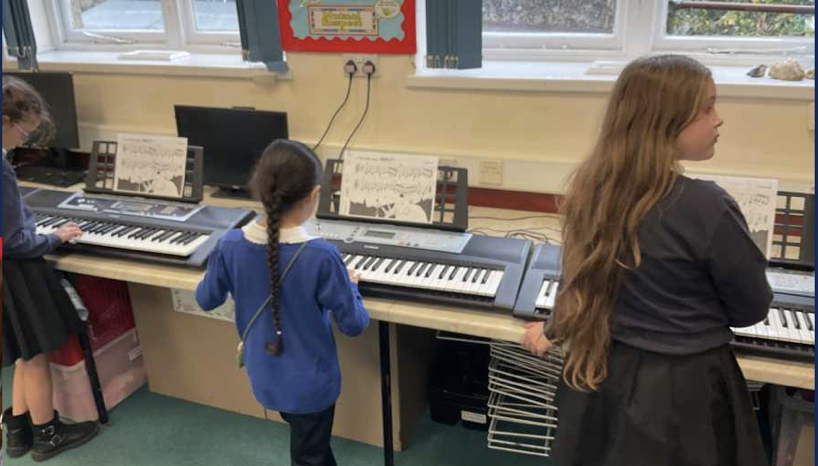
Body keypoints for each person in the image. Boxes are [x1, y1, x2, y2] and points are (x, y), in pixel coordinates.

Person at [521, 55, 772, 466]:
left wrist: (552, 329)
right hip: (684, 394)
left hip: (598, 380)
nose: (718, 119)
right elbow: (751, 309)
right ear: (665, 122)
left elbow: (582, 285)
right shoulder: (707, 205)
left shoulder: (591, 190)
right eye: (707, 108)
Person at [196, 139, 370, 466]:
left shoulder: (229, 244)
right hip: (311, 385)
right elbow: (354, 324)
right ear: (312, 195)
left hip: (265, 374)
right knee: (308, 453)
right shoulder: (322, 256)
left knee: (310, 443)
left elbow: (205, 299)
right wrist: (351, 287)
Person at [2, 76, 100, 461]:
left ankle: (17, 431)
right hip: (15, 273)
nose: (23, 141)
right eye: (24, 132)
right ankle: (48, 434)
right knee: (37, 356)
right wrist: (55, 237)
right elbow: (16, 242)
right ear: (6, 121)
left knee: (23, 353)